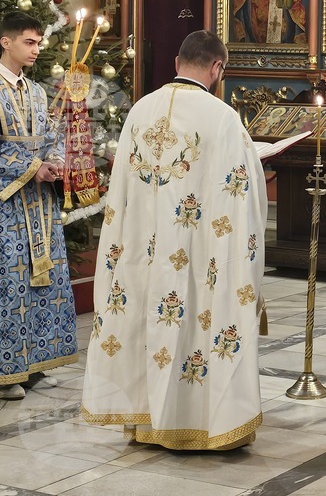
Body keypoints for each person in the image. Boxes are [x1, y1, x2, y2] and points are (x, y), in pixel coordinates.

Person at [82, 30, 267, 450]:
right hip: (199, 251)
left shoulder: (139, 111)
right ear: (217, 68)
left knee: (147, 322)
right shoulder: (221, 117)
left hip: (143, 249)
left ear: (176, 62)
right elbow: (242, 190)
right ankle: (203, 425)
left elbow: (122, 191)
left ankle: (146, 422)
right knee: (197, 323)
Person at [0, 12, 75, 400]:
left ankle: (34, 362)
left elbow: (51, 135)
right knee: (3, 282)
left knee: (38, 280)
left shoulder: (38, 92)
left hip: (38, 205)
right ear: (6, 42)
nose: (36, 49)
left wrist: (56, 161)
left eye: (39, 43)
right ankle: (1, 372)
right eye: (29, 42)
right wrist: (31, 167)